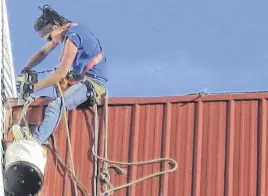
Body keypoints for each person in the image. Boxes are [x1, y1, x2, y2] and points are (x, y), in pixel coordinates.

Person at [15, 4, 108, 145]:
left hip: (93, 84)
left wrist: (33, 88)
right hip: (83, 77)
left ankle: (36, 141)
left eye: (48, 37)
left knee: (56, 105)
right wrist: (26, 68)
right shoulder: (69, 29)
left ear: (54, 28)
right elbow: (43, 53)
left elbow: (60, 73)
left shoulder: (73, 37)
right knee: (56, 78)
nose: (50, 41)